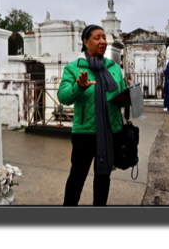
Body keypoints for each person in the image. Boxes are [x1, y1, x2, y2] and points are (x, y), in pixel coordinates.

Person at [57, 25, 129, 206]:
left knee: (103, 178)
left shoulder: (114, 68)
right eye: (97, 37)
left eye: (104, 37)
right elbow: (63, 97)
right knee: (77, 177)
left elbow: (122, 97)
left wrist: (129, 98)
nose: (103, 41)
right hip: (84, 134)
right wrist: (79, 87)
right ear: (86, 42)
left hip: (110, 133)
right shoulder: (74, 68)